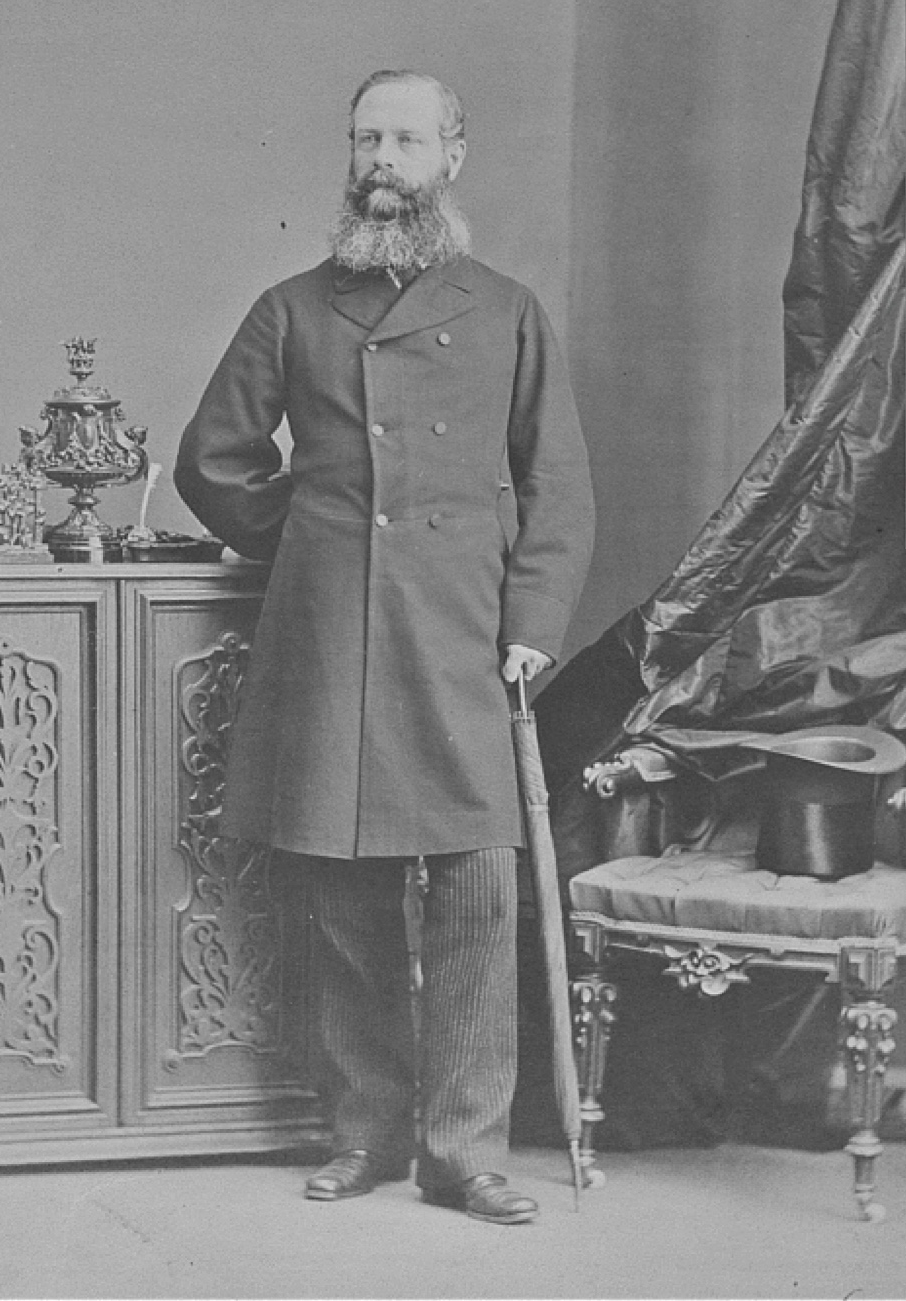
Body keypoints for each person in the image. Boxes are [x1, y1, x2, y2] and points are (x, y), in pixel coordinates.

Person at [174, 69, 594, 1224]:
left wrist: (532, 629)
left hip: (464, 631)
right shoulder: (293, 308)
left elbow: (557, 487)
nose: (382, 160)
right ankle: (364, 1134)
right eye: (367, 138)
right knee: (344, 886)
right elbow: (212, 459)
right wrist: (319, 541)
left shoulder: (508, 310)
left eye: (406, 140)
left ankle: (467, 1153)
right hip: (336, 629)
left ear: (453, 156)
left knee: (471, 886)